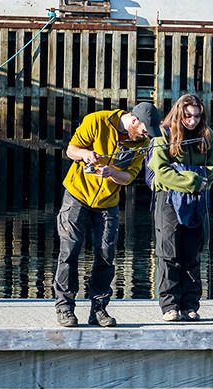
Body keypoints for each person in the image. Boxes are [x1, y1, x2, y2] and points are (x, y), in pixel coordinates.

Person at [54, 102, 161, 328]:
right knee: (69, 251)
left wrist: (112, 172)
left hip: (108, 202)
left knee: (105, 255)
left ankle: (99, 309)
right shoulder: (97, 121)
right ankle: (65, 308)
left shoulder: (142, 143)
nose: (147, 135)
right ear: (134, 120)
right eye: (145, 130)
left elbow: (129, 177)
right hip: (77, 195)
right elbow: (71, 150)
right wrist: (85, 154)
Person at [148, 94, 213, 322]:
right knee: (168, 253)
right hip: (168, 199)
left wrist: (199, 181)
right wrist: (192, 180)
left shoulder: (207, 135)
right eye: (187, 116)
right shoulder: (163, 134)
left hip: (196, 199)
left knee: (192, 254)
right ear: (179, 114)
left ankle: (190, 304)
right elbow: (161, 171)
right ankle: (169, 305)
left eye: (196, 116)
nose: (192, 121)